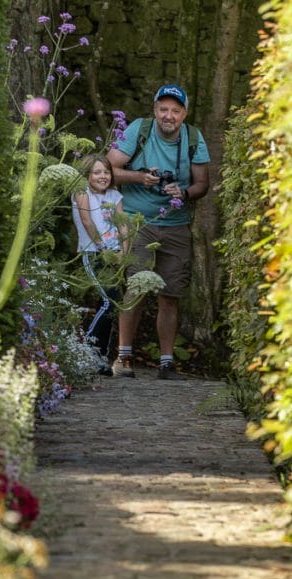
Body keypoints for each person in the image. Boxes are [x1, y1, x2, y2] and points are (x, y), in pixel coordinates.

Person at [107, 84, 211, 379]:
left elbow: (203, 183)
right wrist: (140, 177)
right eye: (163, 109)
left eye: (175, 111)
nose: (169, 116)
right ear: (155, 111)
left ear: (184, 114)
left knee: (171, 294)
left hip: (176, 225)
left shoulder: (193, 138)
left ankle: (167, 362)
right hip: (136, 221)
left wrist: (185, 192)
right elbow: (108, 170)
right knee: (136, 288)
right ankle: (123, 358)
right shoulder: (139, 130)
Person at [71, 155, 126, 375]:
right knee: (108, 302)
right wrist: (102, 246)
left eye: (106, 172)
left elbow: (123, 225)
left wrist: (123, 249)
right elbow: (86, 221)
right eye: (96, 172)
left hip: (114, 254)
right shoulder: (82, 192)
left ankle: (101, 357)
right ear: (87, 175)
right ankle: (86, 350)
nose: (102, 176)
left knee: (113, 304)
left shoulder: (114, 195)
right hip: (94, 253)